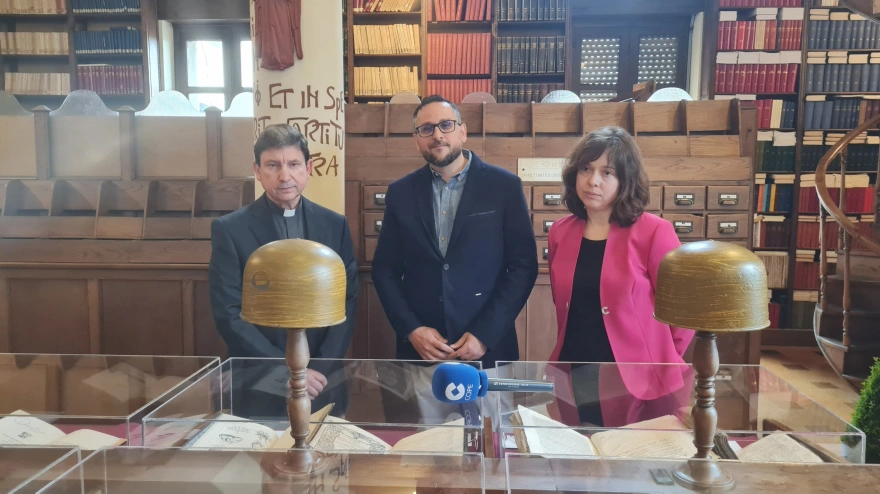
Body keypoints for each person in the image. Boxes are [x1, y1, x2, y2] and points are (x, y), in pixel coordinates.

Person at [372, 95, 538, 370]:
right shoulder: (400, 193)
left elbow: (523, 266)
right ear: (417, 140)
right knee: (419, 416)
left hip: (487, 350)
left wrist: (486, 334)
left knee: (489, 417)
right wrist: (412, 329)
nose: (437, 135)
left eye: (446, 125)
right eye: (426, 129)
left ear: (462, 131)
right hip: (423, 351)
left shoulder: (504, 186)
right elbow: (384, 269)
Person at [546, 126, 694, 425]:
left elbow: (684, 310)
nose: (593, 181)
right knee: (582, 453)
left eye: (607, 173)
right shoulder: (561, 231)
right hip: (575, 363)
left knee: (629, 460)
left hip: (636, 374)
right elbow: (562, 303)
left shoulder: (654, 231)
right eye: (586, 169)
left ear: (625, 180)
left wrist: (659, 357)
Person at [208, 124, 358, 409]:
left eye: (293, 164)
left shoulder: (334, 224)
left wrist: (320, 369)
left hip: (323, 380)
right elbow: (228, 312)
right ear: (257, 170)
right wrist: (286, 369)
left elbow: (346, 300)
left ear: (308, 167)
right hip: (260, 378)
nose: (284, 176)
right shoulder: (230, 229)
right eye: (273, 165)